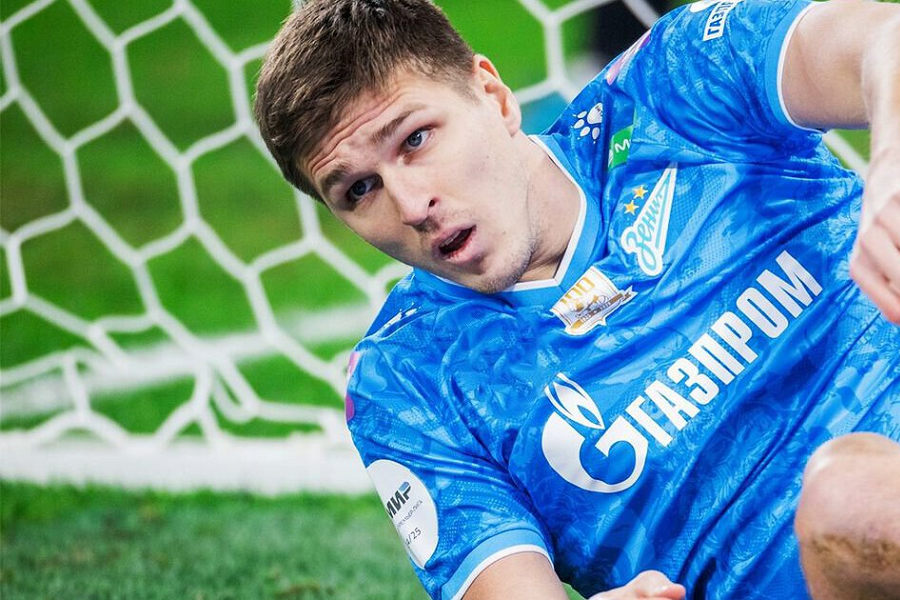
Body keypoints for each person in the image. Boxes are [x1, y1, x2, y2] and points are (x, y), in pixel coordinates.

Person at [253, 0, 900, 597]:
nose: (411, 204)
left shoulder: (673, 87)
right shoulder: (406, 378)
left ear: (493, 96)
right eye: (358, 190)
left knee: (851, 496)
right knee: (848, 501)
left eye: (416, 139)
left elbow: (884, 39)